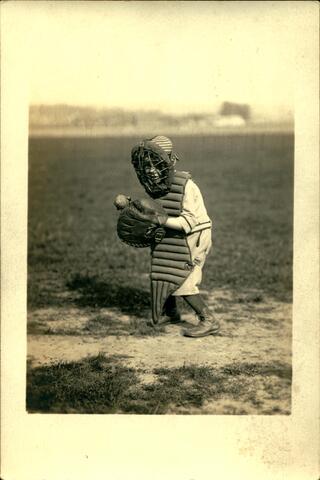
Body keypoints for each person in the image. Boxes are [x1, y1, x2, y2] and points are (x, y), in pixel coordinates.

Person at [131, 135, 220, 338]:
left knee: (183, 278)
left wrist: (159, 222)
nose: (151, 171)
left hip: (194, 236)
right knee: (163, 269)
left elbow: (188, 223)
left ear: (169, 162)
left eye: (156, 165)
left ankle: (208, 319)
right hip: (174, 232)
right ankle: (171, 313)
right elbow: (160, 212)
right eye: (147, 166)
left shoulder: (186, 186)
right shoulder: (156, 186)